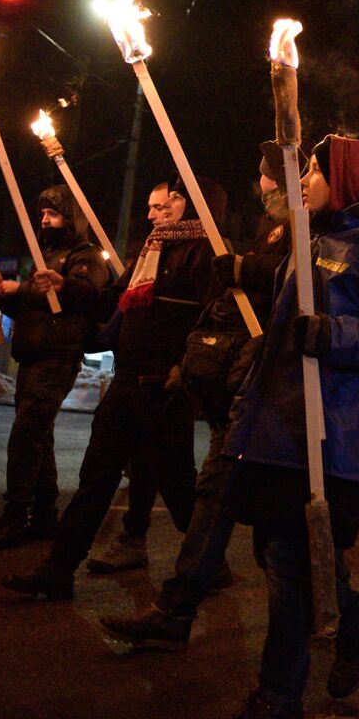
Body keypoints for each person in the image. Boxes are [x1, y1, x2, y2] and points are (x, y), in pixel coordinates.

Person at [223, 135, 359, 719]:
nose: (304, 177)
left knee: (290, 564)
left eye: (314, 168)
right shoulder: (309, 242)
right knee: (277, 552)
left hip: (332, 437)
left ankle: (278, 698)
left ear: (350, 178)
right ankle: (355, 615)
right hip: (280, 427)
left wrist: (334, 335)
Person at [99, 143, 295, 650]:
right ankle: (177, 606)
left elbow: (293, 283)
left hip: (274, 387)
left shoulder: (302, 230)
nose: (263, 185)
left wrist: (241, 270)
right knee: (214, 493)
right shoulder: (265, 230)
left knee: (270, 516)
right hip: (237, 378)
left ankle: (335, 607)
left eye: (269, 176)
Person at [3, 176, 223, 600]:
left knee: (178, 486)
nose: (158, 210)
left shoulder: (207, 253)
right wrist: (66, 289)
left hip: (165, 390)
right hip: (125, 386)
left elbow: (213, 320)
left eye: (174, 199)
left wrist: (186, 367)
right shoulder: (152, 249)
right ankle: (59, 569)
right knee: (95, 476)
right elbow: (112, 304)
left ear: (197, 203)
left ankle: (211, 565)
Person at [0, 185, 109, 548]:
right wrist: (3, 292)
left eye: (52, 213)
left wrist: (44, 287)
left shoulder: (88, 255)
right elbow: (31, 308)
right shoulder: (46, 256)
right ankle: (45, 516)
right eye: (42, 214)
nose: (45, 220)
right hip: (33, 354)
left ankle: (15, 516)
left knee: (26, 435)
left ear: (71, 216)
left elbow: (89, 296)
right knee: (38, 437)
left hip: (58, 355)